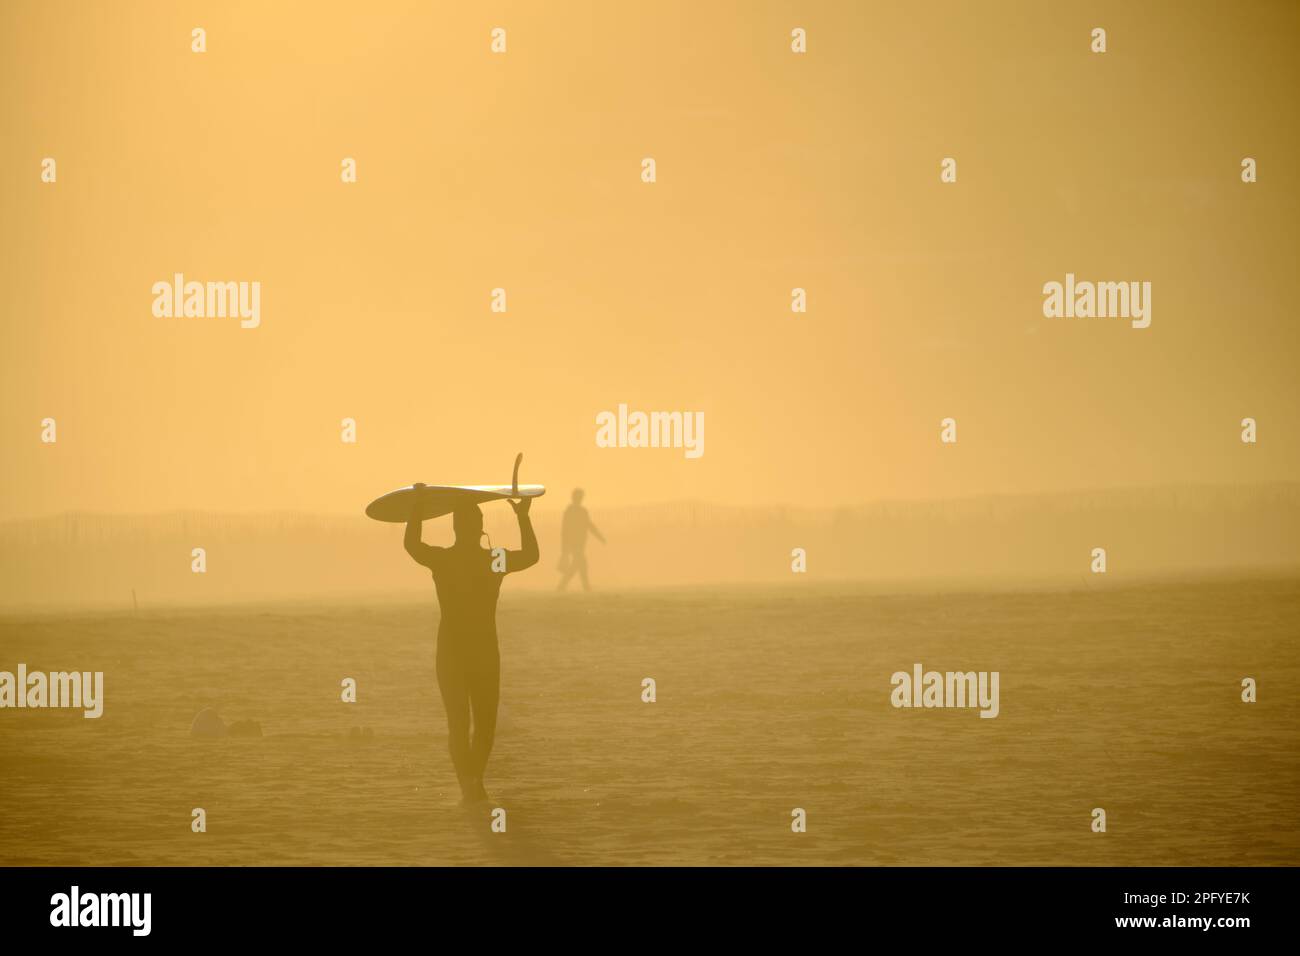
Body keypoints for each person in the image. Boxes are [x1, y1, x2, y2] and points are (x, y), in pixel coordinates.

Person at [404, 485, 538, 804]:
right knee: (484, 724)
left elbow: (412, 545)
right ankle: (473, 781)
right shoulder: (493, 560)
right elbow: (532, 556)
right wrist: (522, 518)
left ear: (457, 528)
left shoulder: (444, 560)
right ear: (480, 528)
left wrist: (418, 508)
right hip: (483, 651)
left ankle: (469, 783)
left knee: (459, 723)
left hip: (451, 650)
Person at [557, 488, 604, 591]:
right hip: (574, 544)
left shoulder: (582, 511)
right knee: (582, 564)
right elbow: (565, 531)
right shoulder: (570, 512)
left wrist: (600, 536)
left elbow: (589, 525)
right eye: (579, 497)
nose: (580, 499)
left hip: (580, 544)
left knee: (577, 564)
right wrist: (564, 549)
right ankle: (585, 587)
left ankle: (562, 586)